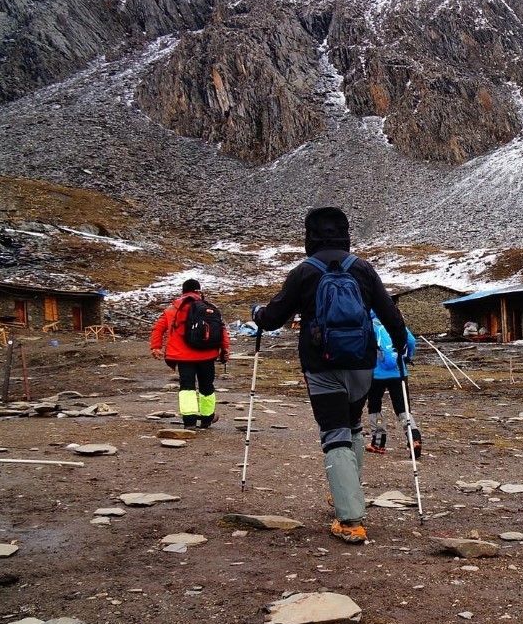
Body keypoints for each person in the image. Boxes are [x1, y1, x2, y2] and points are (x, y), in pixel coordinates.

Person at [251, 207, 408, 544]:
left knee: (334, 433)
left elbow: (274, 318)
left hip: (321, 366)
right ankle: (345, 493)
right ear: (345, 234)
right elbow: (390, 314)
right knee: (352, 426)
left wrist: (258, 314)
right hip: (363, 365)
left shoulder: (304, 271)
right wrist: (399, 348)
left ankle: (350, 519)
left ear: (310, 236)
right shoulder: (363, 268)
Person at [149, 278, 230, 429]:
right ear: (199, 291)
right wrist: (225, 349)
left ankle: (189, 421)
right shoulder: (210, 308)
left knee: (187, 387)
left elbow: (158, 329)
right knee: (207, 386)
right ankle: (207, 419)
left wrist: (156, 347)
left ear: (183, 292)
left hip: (183, 356)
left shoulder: (172, 310)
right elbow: (221, 329)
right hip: (207, 355)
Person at [365, 314, 422, 458]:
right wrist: (407, 357)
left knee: (374, 406)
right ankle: (414, 439)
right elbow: (411, 340)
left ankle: (378, 443)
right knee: (403, 408)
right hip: (399, 372)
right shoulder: (394, 320)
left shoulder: (368, 323)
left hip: (375, 373)